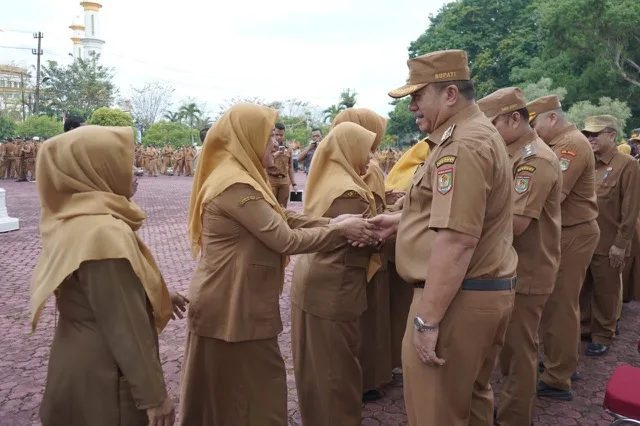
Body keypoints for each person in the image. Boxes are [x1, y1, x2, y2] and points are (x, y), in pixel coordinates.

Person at [180, 103, 379, 426]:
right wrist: (339, 230)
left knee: (243, 389)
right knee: (245, 389)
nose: (277, 142)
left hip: (241, 299)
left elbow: (282, 216)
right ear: (248, 137)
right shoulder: (235, 185)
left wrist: (331, 222)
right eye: (269, 135)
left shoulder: (245, 176)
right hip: (231, 301)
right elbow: (284, 239)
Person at [370, 49, 518, 426]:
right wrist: (402, 221)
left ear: (450, 94)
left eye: (418, 96)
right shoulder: (472, 135)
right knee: (471, 402)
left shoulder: (462, 145)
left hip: (454, 299)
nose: (411, 107)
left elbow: (457, 240)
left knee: (435, 413)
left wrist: (428, 320)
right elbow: (457, 211)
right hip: (476, 292)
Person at [31, 126, 184, 426]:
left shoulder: (73, 215)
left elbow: (98, 292)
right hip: (106, 375)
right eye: (124, 162)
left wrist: (157, 294)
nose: (135, 171)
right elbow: (124, 325)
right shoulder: (103, 232)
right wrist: (154, 397)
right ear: (97, 169)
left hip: (76, 360)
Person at [477, 87, 562, 426]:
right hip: (513, 266)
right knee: (509, 349)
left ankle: (514, 418)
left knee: (518, 351)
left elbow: (516, 223)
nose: (488, 133)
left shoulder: (534, 160)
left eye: (492, 125)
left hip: (528, 269)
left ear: (515, 119)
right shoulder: (511, 153)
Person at [291, 121, 383, 426]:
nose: (370, 157)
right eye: (366, 150)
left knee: (321, 368)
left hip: (317, 279)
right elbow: (368, 238)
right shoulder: (349, 191)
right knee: (337, 372)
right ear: (349, 149)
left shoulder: (333, 179)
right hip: (335, 286)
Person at [527, 95, 599, 401]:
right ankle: (561, 361)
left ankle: (558, 378)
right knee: (558, 304)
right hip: (565, 233)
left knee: (560, 304)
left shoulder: (571, 145)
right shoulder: (559, 144)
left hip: (573, 233)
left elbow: (553, 194)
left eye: (535, 124)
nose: (533, 130)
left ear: (552, 118)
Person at [330, 108, 394, 401]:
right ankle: (367, 377)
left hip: (366, 254)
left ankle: (370, 374)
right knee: (365, 324)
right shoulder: (359, 170)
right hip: (363, 256)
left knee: (369, 322)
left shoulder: (351, 167)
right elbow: (366, 216)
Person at [579, 115, 640, 356]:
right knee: (583, 290)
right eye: (587, 134)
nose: (590, 138)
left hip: (609, 241)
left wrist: (621, 243)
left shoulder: (627, 165)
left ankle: (603, 334)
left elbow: (630, 209)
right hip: (584, 241)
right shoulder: (587, 162)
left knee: (607, 291)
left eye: (596, 134)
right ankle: (585, 327)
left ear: (612, 135)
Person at [267, 122, 298, 207]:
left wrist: (294, 183)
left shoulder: (288, 148)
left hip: (284, 180)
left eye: (281, 135)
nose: (279, 137)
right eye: (276, 134)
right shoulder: (267, 147)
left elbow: (291, 167)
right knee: (271, 206)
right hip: (271, 179)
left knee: (283, 207)